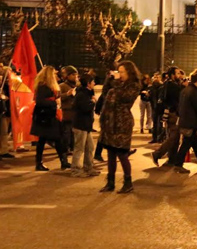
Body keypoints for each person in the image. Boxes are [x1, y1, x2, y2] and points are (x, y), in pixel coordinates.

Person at [99, 60, 142, 194]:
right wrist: (108, 79)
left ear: (129, 72)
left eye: (122, 72)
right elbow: (106, 93)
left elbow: (123, 97)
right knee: (111, 153)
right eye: (119, 71)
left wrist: (116, 82)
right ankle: (110, 182)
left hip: (122, 123)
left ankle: (128, 182)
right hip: (110, 123)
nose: (120, 74)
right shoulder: (117, 84)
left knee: (122, 153)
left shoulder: (133, 86)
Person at [31, 66, 70, 171]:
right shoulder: (43, 87)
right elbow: (40, 102)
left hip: (50, 116)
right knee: (43, 140)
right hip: (45, 117)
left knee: (57, 139)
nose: (56, 76)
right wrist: (54, 102)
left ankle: (63, 161)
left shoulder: (49, 86)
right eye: (54, 74)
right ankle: (39, 163)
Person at [151, 67, 184, 167]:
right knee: (173, 137)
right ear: (172, 75)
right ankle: (157, 154)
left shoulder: (168, 84)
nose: (179, 75)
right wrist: (183, 86)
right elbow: (178, 96)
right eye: (177, 73)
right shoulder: (172, 85)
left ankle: (171, 159)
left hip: (170, 112)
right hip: (172, 113)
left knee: (175, 137)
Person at [71, 74, 100, 177]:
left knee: (90, 147)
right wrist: (93, 102)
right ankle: (75, 170)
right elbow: (85, 108)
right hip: (80, 125)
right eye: (92, 82)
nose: (94, 83)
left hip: (86, 125)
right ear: (88, 83)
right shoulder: (82, 94)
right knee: (79, 148)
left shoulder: (86, 93)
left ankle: (88, 167)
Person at [59, 65, 78, 153]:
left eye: (76, 75)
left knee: (74, 132)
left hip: (75, 112)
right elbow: (58, 98)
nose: (75, 77)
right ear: (67, 76)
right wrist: (67, 94)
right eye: (73, 75)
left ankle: (72, 147)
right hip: (66, 112)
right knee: (67, 132)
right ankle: (65, 149)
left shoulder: (78, 86)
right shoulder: (62, 86)